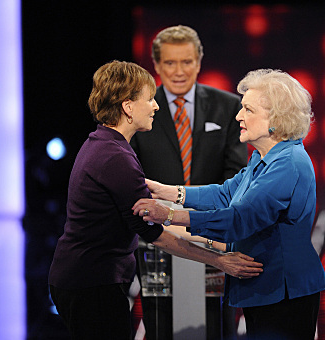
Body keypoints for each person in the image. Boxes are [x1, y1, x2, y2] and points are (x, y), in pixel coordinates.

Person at [48, 60, 262, 340]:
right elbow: (155, 233)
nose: (156, 106)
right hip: (92, 283)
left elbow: (151, 221)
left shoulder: (104, 144)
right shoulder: (115, 157)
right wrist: (220, 260)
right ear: (127, 107)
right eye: (149, 99)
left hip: (86, 279)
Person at [133, 69, 325, 340]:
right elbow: (226, 194)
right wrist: (169, 192)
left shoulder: (288, 163)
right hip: (265, 288)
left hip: (283, 292)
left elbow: (239, 219)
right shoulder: (264, 158)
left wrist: (168, 215)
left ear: (276, 117)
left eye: (247, 109)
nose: (238, 116)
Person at [129, 25, 248, 339]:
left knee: (216, 324)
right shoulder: (140, 109)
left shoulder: (228, 106)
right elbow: (131, 172)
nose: (179, 71)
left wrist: (201, 217)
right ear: (156, 65)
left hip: (212, 232)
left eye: (186, 62)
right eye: (170, 63)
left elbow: (236, 174)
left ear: (199, 62)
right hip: (156, 235)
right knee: (160, 324)